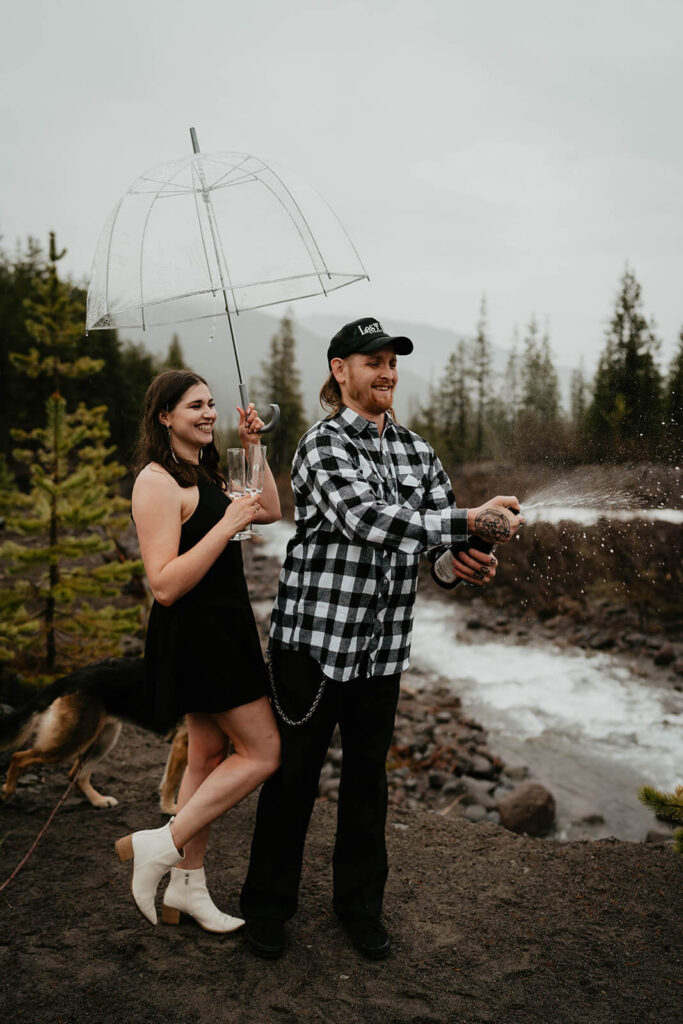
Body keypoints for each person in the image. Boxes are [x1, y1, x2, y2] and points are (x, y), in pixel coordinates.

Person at [240, 317, 524, 960]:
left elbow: (437, 549)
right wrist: (463, 519)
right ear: (341, 371)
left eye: (393, 360)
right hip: (311, 646)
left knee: (369, 784)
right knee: (293, 782)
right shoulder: (320, 445)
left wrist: (467, 556)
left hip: (382, 650)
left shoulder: (419, 451)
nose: (388, 371)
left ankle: (360, 908)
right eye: (373, 361)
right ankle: (266, 909)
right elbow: (368, 520)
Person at [115, 369, 282, 933]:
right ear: (165, 417)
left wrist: (255, 449)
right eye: (195, 406)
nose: (209, 413)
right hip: (197, 638)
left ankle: (187, 888)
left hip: (227, 626)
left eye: (212, 404)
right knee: (263, 752)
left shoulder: (207, 467)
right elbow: (163, 584)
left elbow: (271, 511)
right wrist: (226, 524)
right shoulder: (155, 482)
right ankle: (160, 843)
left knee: (207, 757)